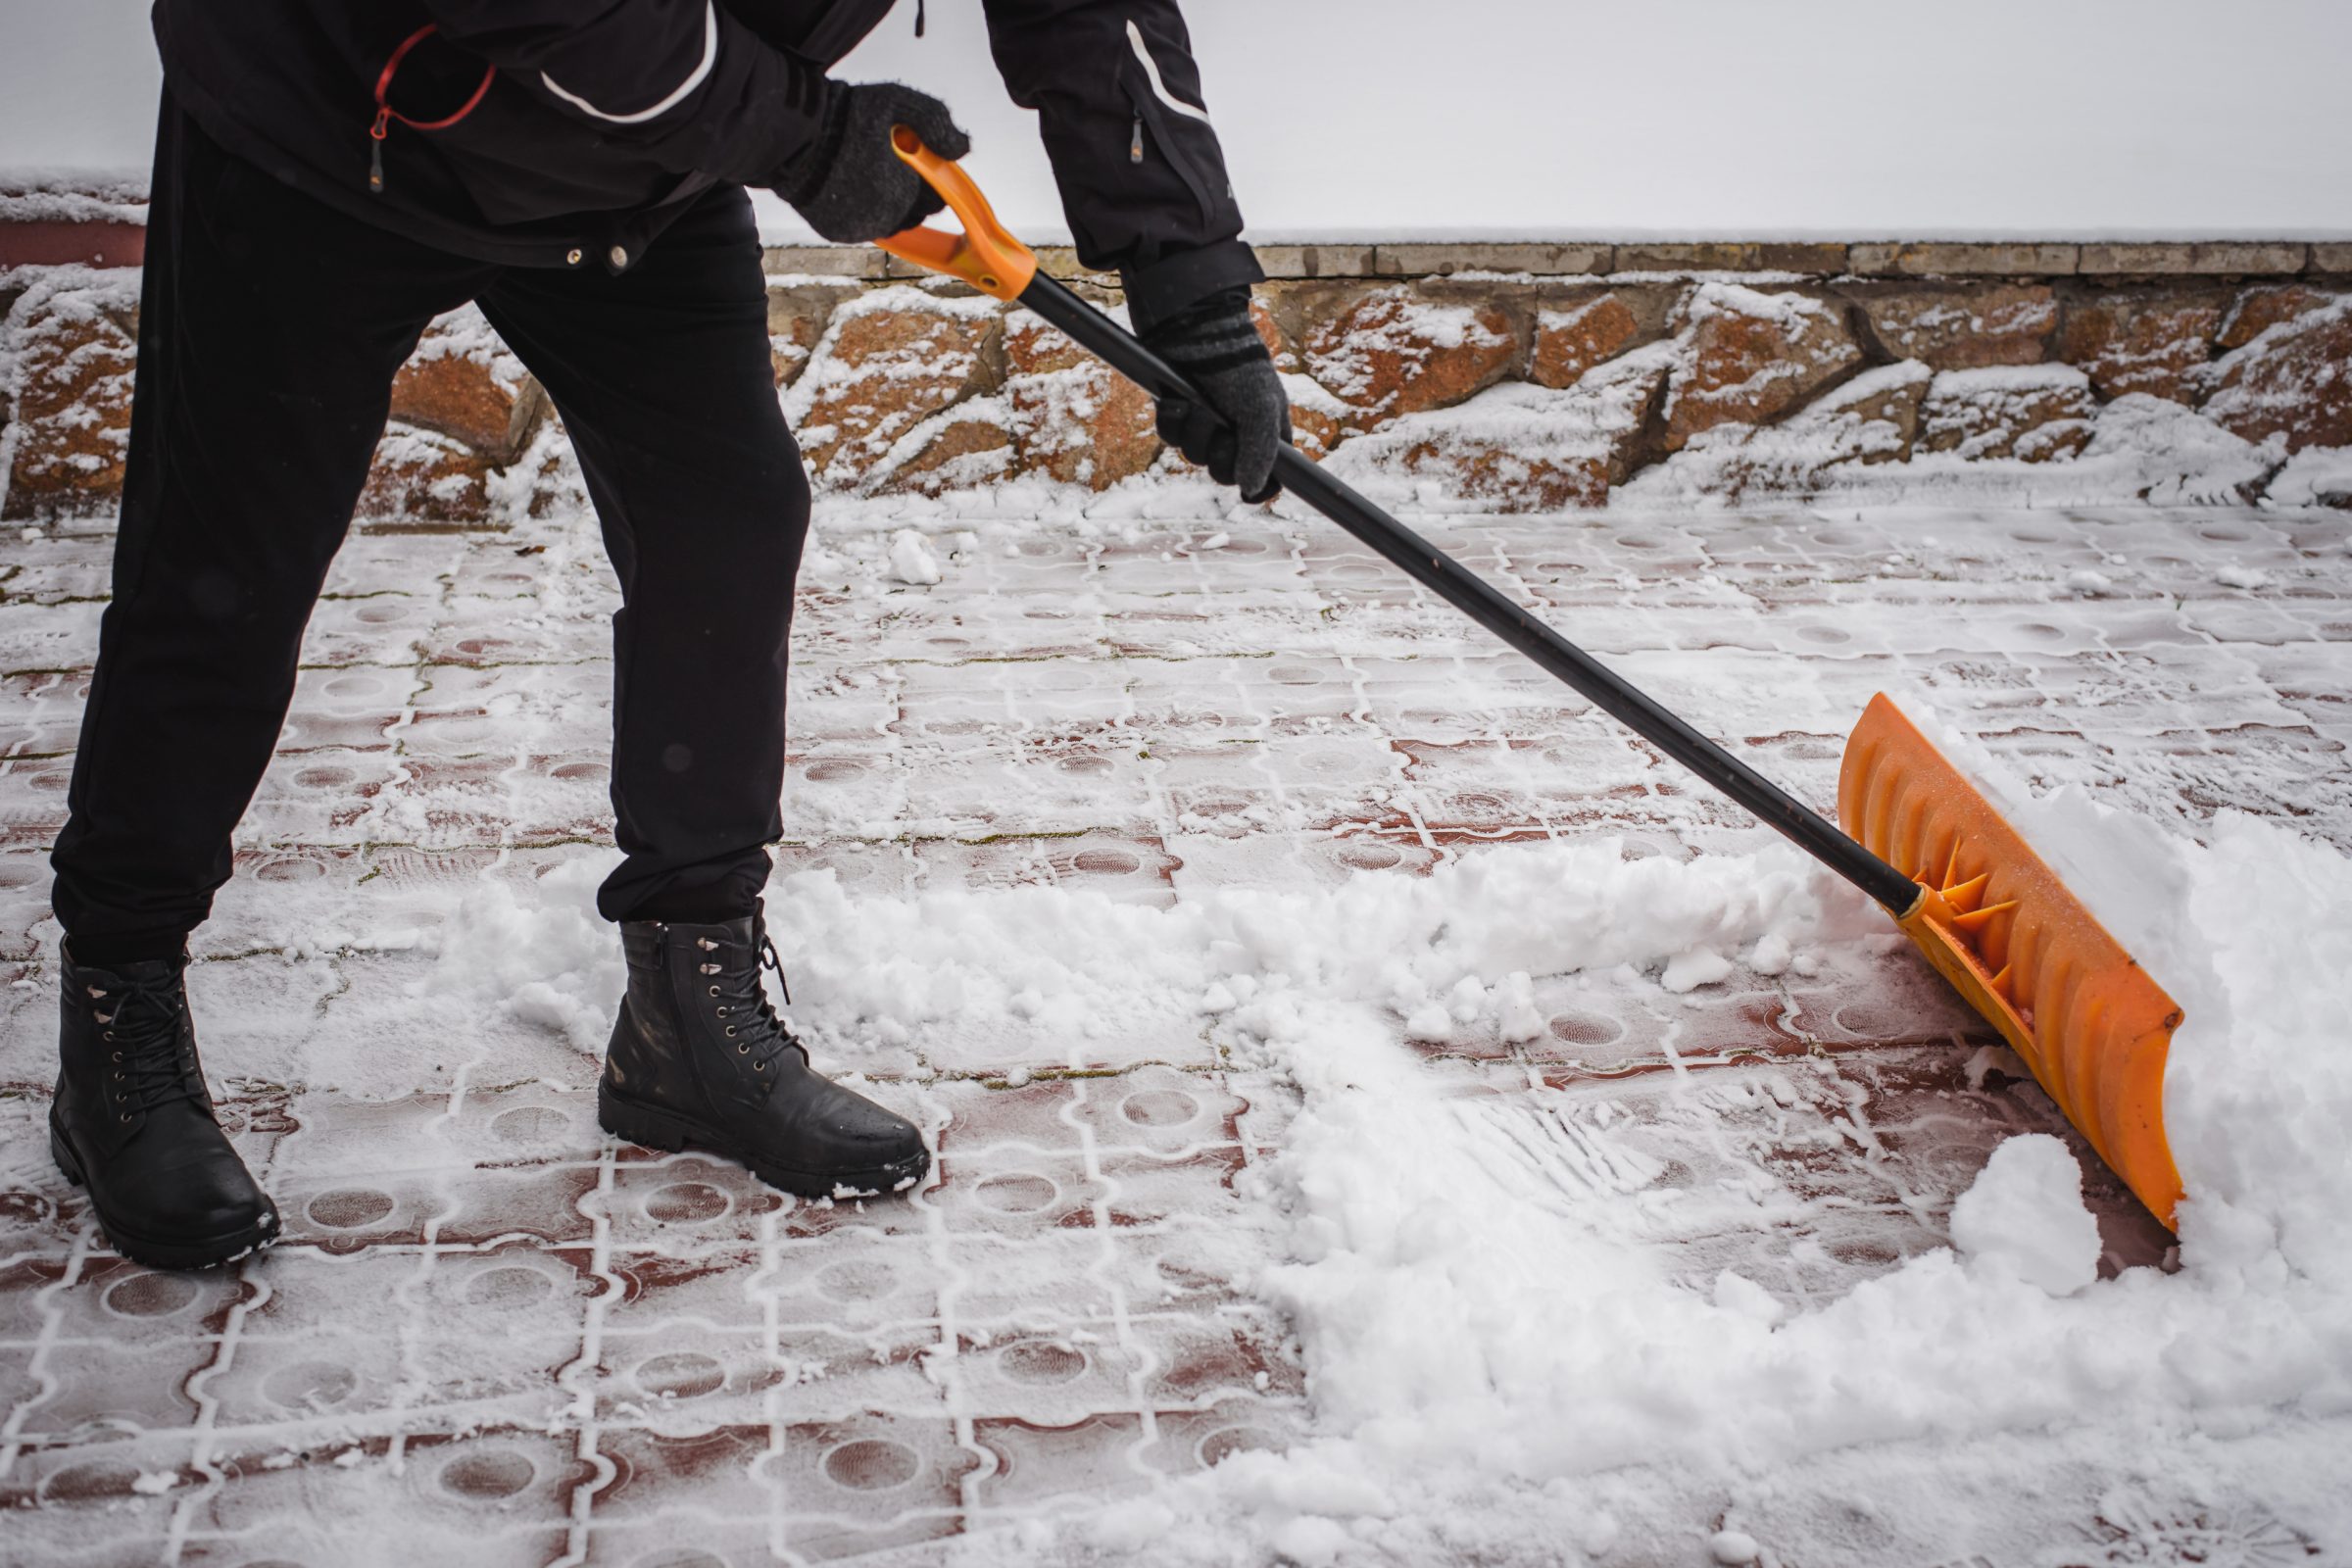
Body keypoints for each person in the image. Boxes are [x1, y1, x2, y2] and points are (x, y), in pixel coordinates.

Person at [47, 0, 1292, 1271]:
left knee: (727, 522)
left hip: (633, 170)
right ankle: (119, 998)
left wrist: (1192, 293)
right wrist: (810, 137)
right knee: (225, 577)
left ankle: (687, 1013)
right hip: (332, 131)